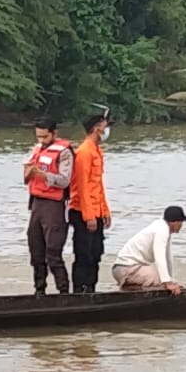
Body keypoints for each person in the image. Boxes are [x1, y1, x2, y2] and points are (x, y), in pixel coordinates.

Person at [23, 117, 74, 295]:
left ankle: (64, 290)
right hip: (37, 203)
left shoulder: (65, 152)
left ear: (54, 133)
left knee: (53, 251)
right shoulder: (36, 149)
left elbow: (65, 180)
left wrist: (43, 175)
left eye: (45, 137)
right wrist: (28, 173)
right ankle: (39, 290)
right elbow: (26, 179)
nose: (41, 141)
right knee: (35, 248)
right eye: (39, 137)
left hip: (55, 205)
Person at [68, 111, 112, 293]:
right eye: (105, 126)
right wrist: (89, 216)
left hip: (96, 210)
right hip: (82, 211)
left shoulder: (97, 151)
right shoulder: (84, 152)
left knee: (96, 254)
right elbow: (82, 186)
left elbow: (98, 185)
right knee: (83, 254)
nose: (107, 129)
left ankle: (91, 289)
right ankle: (79, 290)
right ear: (96, 129)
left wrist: (105, 211)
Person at [112, 206, 186, 295]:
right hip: (126, 268)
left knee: (165, 280)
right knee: (160, 280)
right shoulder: (162, 230)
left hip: (125, 268)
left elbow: (167, 257)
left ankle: (129, 292)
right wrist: (167, 282)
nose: (181, 225)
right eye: (181, 222)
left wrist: (170, 280)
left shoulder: (163, 228)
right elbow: (159, 256)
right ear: (175, 222)